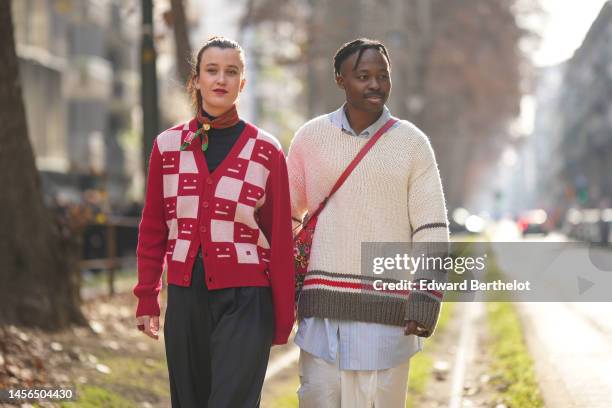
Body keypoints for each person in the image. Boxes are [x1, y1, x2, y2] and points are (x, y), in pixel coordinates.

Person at [133, 36, 295, 408]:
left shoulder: (266, 151)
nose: (221, 79)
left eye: (231, 71)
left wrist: (283, 315)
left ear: (243, 82)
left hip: (247, 299)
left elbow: (281, 240)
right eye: (212, 70)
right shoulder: (166, 146)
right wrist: (147, 296)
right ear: (197, 80)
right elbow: (154, 227)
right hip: (186, 296)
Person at [287, 38, 449, 407]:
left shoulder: (412, 144)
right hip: (321, 319)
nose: (375, 84)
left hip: (389, 319)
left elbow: (432, 228)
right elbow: (286, 218)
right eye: (363, 76)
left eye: (382, 76)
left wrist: (426, 296)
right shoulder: (309, 139)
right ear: (340, 79)